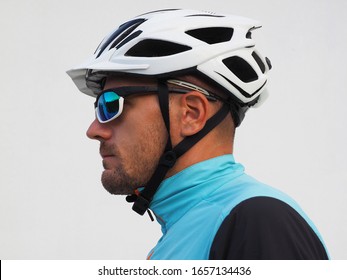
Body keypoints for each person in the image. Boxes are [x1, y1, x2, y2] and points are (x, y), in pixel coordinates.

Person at [67, 9, 329, 259]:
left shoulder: (259, 222)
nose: (94, 130)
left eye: (111, 104)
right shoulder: (188, 232)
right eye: (99, 106)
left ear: (191, 114)